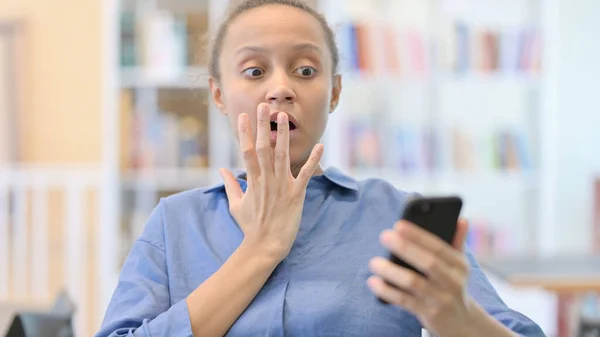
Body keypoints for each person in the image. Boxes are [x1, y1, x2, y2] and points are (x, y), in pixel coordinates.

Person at [96, 0, 547, 336]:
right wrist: (260, 250)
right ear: (218, 94)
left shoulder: (396, 217)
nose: (281, 88)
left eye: (306, 70)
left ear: (334, 93)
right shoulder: (174, 224)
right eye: (254, 71)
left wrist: (459, 318)